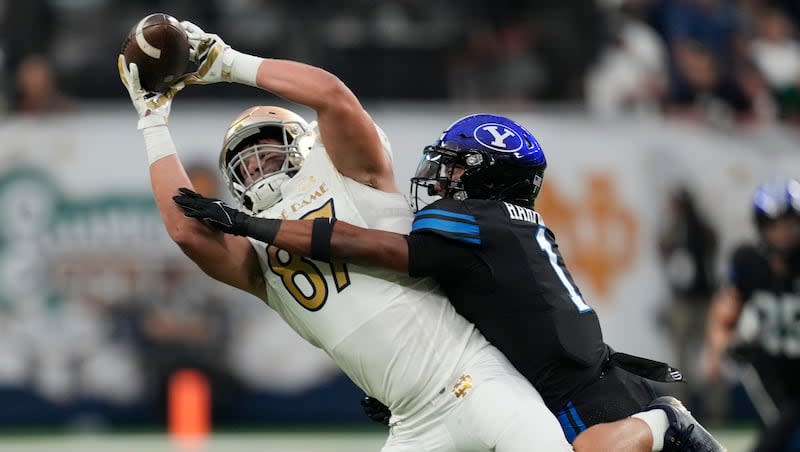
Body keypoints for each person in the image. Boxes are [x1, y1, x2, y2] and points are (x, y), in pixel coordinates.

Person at [118, 21, 572, 452]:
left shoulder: (348, 174)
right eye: (245, 162)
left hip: (474, 376)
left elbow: (331, 96)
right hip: (411, 421)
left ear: (300, 144)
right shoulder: (254, 251)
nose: (256, 165)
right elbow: (184, 230)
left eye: (266, 149)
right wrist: (152, 121)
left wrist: (227, 61)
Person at [174, 113, 726, 452]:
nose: (440, 175)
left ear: (489, 176)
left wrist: (250, 225)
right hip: (532, 378)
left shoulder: (477, 222)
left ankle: (665, 421)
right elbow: (445, 310)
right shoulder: (492, 226)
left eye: (457, 168)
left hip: (578, 387)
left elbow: (365, 247)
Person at [704, 178, 800, 452]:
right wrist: (719, 349)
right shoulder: (749, 262)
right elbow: (725, 310)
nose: (783, 233)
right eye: (775, 225)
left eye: (788, 224)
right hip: (771, 370)